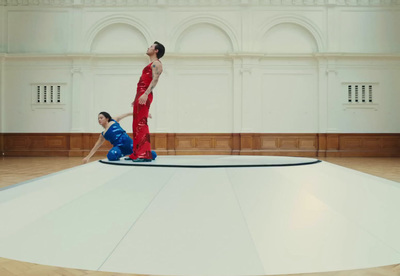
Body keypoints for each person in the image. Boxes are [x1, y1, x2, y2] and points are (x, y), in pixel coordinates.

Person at [128, 41, 165, 162]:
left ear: (156, 51)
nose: (148, 48)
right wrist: (136, 98)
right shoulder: (151, 64)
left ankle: (144, 154)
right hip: (141, 95)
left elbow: (155, 80)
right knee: (136, 123)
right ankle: (137, 153)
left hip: (145, 94)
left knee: (141, 123)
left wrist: (145, 94)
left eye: (151, 47)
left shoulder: (156, 63)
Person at [82, 111, 156, 164]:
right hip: (120, 148)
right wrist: (87, 157)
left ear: (107, 118)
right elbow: (96, 146)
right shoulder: (103, 134)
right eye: (98, 118)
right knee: (111, 156)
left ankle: (136, 153)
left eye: (101, 118)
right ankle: (124, 154)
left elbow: (127, 114)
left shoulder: (114, 121)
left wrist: (144, 114)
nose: (99, 120)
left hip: (130, 144)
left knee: (153, 154)